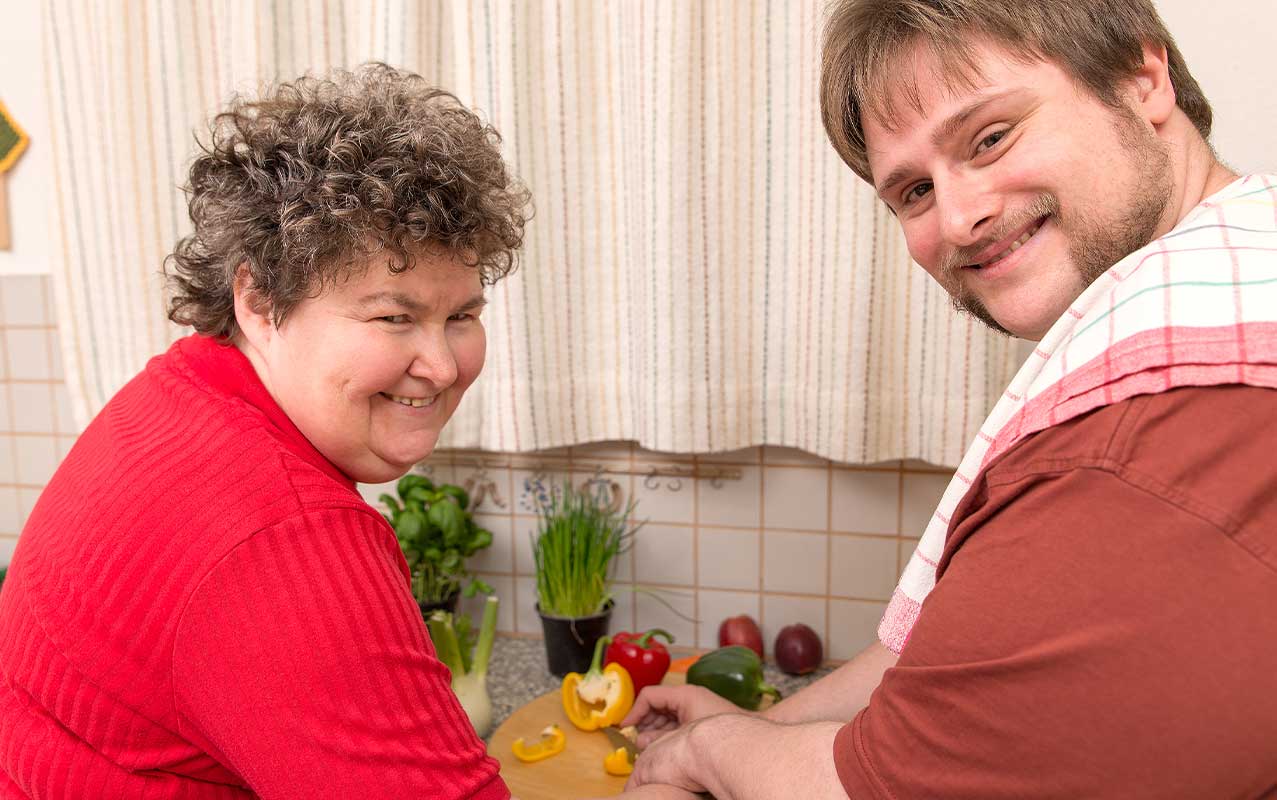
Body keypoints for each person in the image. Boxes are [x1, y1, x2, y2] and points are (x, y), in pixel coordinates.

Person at [622, 1, 1277, 797]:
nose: (961, 218)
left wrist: (700, 753)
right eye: (913, 192)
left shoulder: (1141, 445)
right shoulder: (1220, 271)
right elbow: (944, 667)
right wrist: (770, 731)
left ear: (1142, 81)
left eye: (990, 138)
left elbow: (880, 786)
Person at [0, 64, 531, 798]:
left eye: (462, 316)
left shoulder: (178, 394)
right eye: (393, 316)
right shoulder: (283, 536)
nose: (441, 366)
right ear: (258, 299)